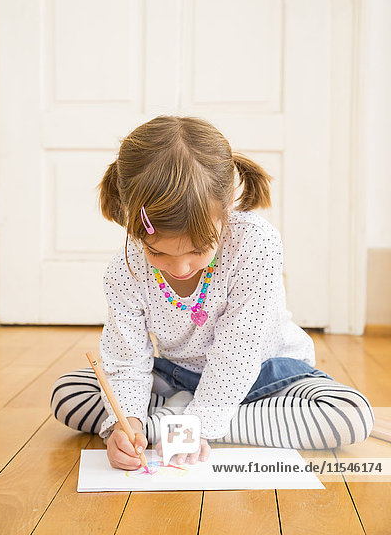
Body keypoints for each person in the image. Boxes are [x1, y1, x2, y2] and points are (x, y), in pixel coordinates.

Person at [50, 115, 374, 471]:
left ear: (228, 208)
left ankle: (176, 421)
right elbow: (126, 360)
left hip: (265, 374)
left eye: (198, 250)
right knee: (69, 394)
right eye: (158, 253)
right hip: (178, 375)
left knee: (349, 414)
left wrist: (200, 423)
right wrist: (126, 423)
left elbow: (238, 353)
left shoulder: (255, 244)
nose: (180, 268)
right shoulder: (124, 269)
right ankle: (172, 418)